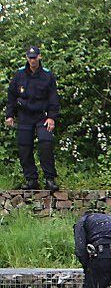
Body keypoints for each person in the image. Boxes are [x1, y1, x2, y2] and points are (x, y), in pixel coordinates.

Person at [5, 46, 61, 191]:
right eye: (30, 58)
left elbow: (53, 98)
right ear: (27, 58)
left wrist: (52, 117)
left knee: (46, 143)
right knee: (24, 147)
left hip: (42, 116)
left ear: (39, 57)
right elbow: (11, 96)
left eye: (35, 57)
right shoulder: (19, 75)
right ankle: (31, 179)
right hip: (24, 115)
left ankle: (50, 178)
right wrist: (9, 115)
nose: (32, 60)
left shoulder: (47, 75)